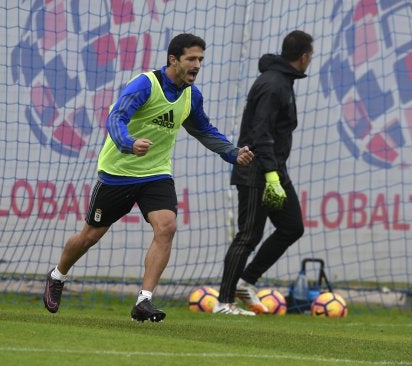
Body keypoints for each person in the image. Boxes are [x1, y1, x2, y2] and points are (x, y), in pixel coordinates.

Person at [43, 33, 254, 322]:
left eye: (200, 60)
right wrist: (128, 143)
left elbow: (204, 131)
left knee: (166, 227)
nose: (197, 65)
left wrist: (232, 152)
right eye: (191, 59)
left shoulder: (192, 95)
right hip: (118, 173)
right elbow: (115, 117)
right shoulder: (145, 84)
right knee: (90, 236)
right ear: (173, 60)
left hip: (156, 174)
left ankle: (144, 300)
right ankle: (58, 275)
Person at [213, 31, 313, 316]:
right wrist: (270, 174)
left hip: (274, 169)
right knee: (248, 235)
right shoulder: (272, 84)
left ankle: (245, 282)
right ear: (304, 57)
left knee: (292, 226)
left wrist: (275, 172)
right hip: (256, 170)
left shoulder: (283, 81)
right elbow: (260, 132)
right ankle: (223, 302)